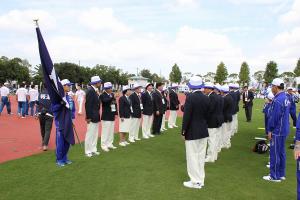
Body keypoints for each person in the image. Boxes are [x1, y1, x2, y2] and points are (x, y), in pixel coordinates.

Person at [182, 76, 209, 189]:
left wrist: (183, 131)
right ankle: (200, 180)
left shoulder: (190, 97)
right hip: (203, 130)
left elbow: (187, 116)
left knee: (192, 156)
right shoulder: (206, 97)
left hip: (192, 131)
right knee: (200, 156)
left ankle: (195, 181)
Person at [263, 78, 290, 182]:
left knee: (275, 153)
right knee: (281, 152)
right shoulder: (285, 97)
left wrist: (270, 130)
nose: (271, 88)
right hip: (284, 129)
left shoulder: (278, 99)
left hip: (278, 130)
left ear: (275, 87)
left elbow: (274, 117)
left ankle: (274, 176)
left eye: (272, 86)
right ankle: (281, 173)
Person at [54, 79, 76, 166]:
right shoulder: (57, 98)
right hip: (60, 123)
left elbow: (73, 110)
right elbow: (53, 109)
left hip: (68, 123)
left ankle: (65, 158)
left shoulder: (70, 98)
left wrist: (72, 120)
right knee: (60, 143)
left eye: (69, 85)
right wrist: (60, 104)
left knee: (67, 141)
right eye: (68, 85)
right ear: (62, 86)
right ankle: (59, 160)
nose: (69, 86)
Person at [85, 76, 101, 157]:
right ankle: (88, 151)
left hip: (96, 115)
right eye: (99, 82)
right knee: (90, 134)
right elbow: (88, 105)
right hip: (91, 116)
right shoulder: (90, 91)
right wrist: (88, 117)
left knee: (95, 134)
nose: (100, 83)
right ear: (96, 83)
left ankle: (93, 149)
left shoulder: (94, 91)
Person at [203, 82, 220, 163]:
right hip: (216, 120)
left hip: (212, 121)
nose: (204, 90)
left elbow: (210, 110)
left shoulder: (212, 97)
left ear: (209, 89)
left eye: (205, 88)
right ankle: (214, 156)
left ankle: (210, 156)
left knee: (211, 140)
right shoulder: (216, 96)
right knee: (214, 139)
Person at [100, 82, 118, 152]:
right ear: (106, 89)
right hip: (106, 116)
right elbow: (105, 101)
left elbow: (114, 104)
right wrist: (113, 97)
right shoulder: (102, 95)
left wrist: (116, 113)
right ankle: (104, 145)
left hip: (112, 115)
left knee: (111, 131)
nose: (111, 89)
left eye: (111, 88)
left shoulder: (112, 95)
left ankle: (110, 143)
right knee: (105, 131)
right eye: (109, 88)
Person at [36, 86, 53, 151]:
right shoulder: (52, 93)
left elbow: (38, 103)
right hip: (49, 113)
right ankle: (45, 145)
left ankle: (43, 141)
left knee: (42, 128)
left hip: (41, 113)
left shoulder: (40, 93)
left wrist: (37, 113)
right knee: (48, 130)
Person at [221, 85, 234, 149]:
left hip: (225, 117)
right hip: (229, 116)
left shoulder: (225, 98)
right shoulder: (230, 97)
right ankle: (227, 143)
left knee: (225, 131)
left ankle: (225, 144)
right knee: (228, 131)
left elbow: (223, 108)